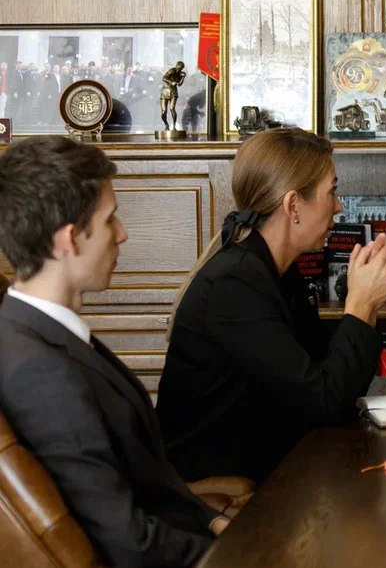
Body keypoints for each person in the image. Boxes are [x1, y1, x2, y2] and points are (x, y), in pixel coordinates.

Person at [0, 137, 227, 567]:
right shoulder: (37, 371)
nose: (122, 233)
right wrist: (244, 553)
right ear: (68, 240)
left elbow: (149, 474)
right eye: (110, 220)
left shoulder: (45, 331)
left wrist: (214, 521)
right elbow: (127, 540)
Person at [157, 128, 386, 483]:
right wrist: (361, 304)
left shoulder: (279, 271)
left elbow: (327, 378)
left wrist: (368, 299)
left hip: (277, 462)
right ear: (292, 205)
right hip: (219, 485)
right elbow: (325, 403)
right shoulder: (234, 284)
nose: (339, 205)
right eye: (331, 191)